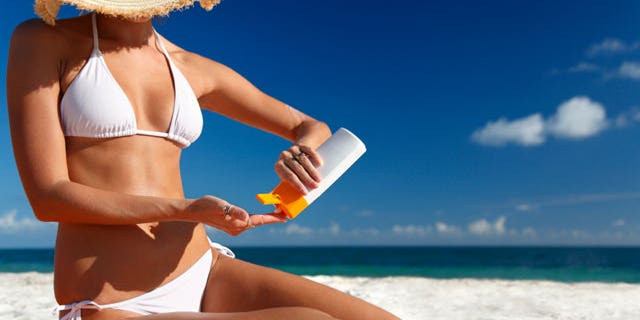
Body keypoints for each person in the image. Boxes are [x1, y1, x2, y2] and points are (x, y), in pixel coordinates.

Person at [6, 0, 400, 319]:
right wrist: (187, 209)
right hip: (109, 302)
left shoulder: (192, 68)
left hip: (203, 270)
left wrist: (302, 154)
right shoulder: (43, 41)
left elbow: (308, 125)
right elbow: (48, 196)